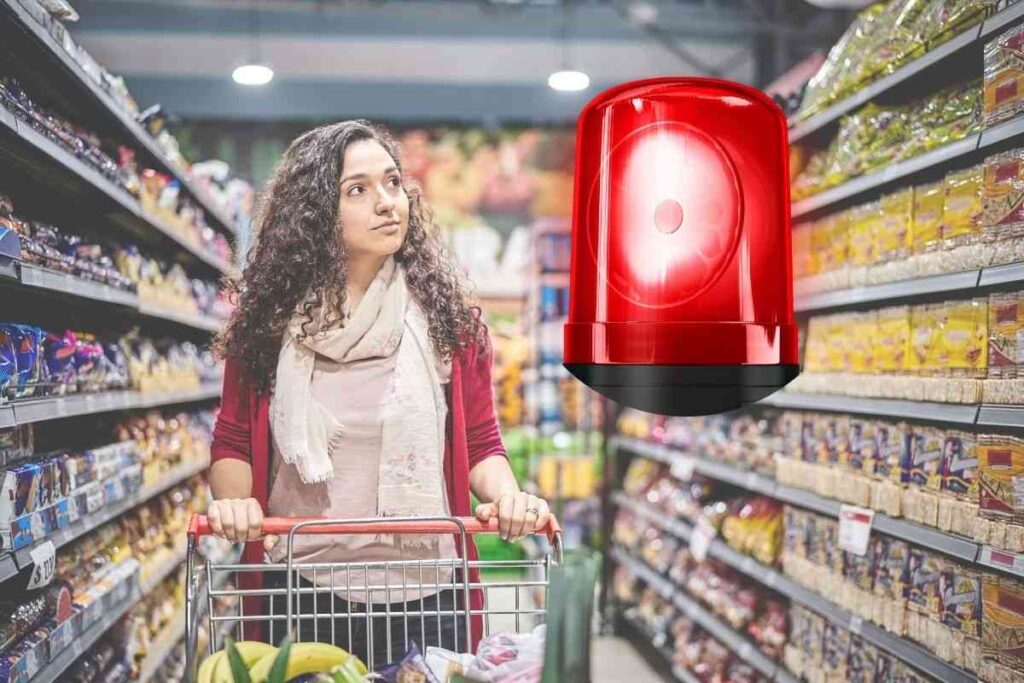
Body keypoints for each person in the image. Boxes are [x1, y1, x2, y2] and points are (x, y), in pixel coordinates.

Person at [206, 120, 550, 669]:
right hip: (304, 589)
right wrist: (235, 503)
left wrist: (507, 495)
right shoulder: (268, 328)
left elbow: (481, 439)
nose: (387, 202)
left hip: (429, 593)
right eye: (358, 190)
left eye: (392, 183)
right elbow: (231, 440)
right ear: (315, 213)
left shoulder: (448, 322)